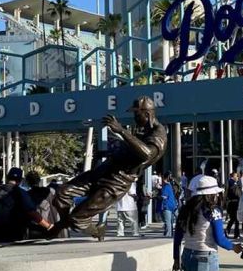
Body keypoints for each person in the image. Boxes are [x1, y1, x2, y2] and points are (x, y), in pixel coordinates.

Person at [52, 97, 167, 240]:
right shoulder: (142, 130)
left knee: (77, 217)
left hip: (116, 182)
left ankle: (96, 231)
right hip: (103, 171)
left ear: (147, 114)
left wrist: (122, 131)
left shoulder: (159, 134)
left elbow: (147, 154)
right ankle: (63, 225)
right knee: (61, 194)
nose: (134, 117)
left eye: (136, 114)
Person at [0, 168, 53, 244]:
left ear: (7, 177)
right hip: (12, 236)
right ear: (20, 180)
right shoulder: (21, 193)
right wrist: (48, 226)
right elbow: (32, 213)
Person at [159, 172, 178, 238]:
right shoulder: (171, 185)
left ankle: (168, 235)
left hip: (167, 205)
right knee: (171, 221)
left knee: (168, 222)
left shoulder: (166, 186)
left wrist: (157, 196)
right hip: (173, 205)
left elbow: (164, 196)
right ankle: (170, 234)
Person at [225, 171, 243, 239]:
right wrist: (225, 202)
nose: (237, 177)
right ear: (233, 176)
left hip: (238, 202)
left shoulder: (238, 182)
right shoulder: (229, 181)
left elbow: (240, 191)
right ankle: (231, 232)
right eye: (236, 176)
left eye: (237, 176)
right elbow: (226, 191)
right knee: (234, 218)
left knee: (235, 219)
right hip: (232, 203)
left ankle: (234, 233)